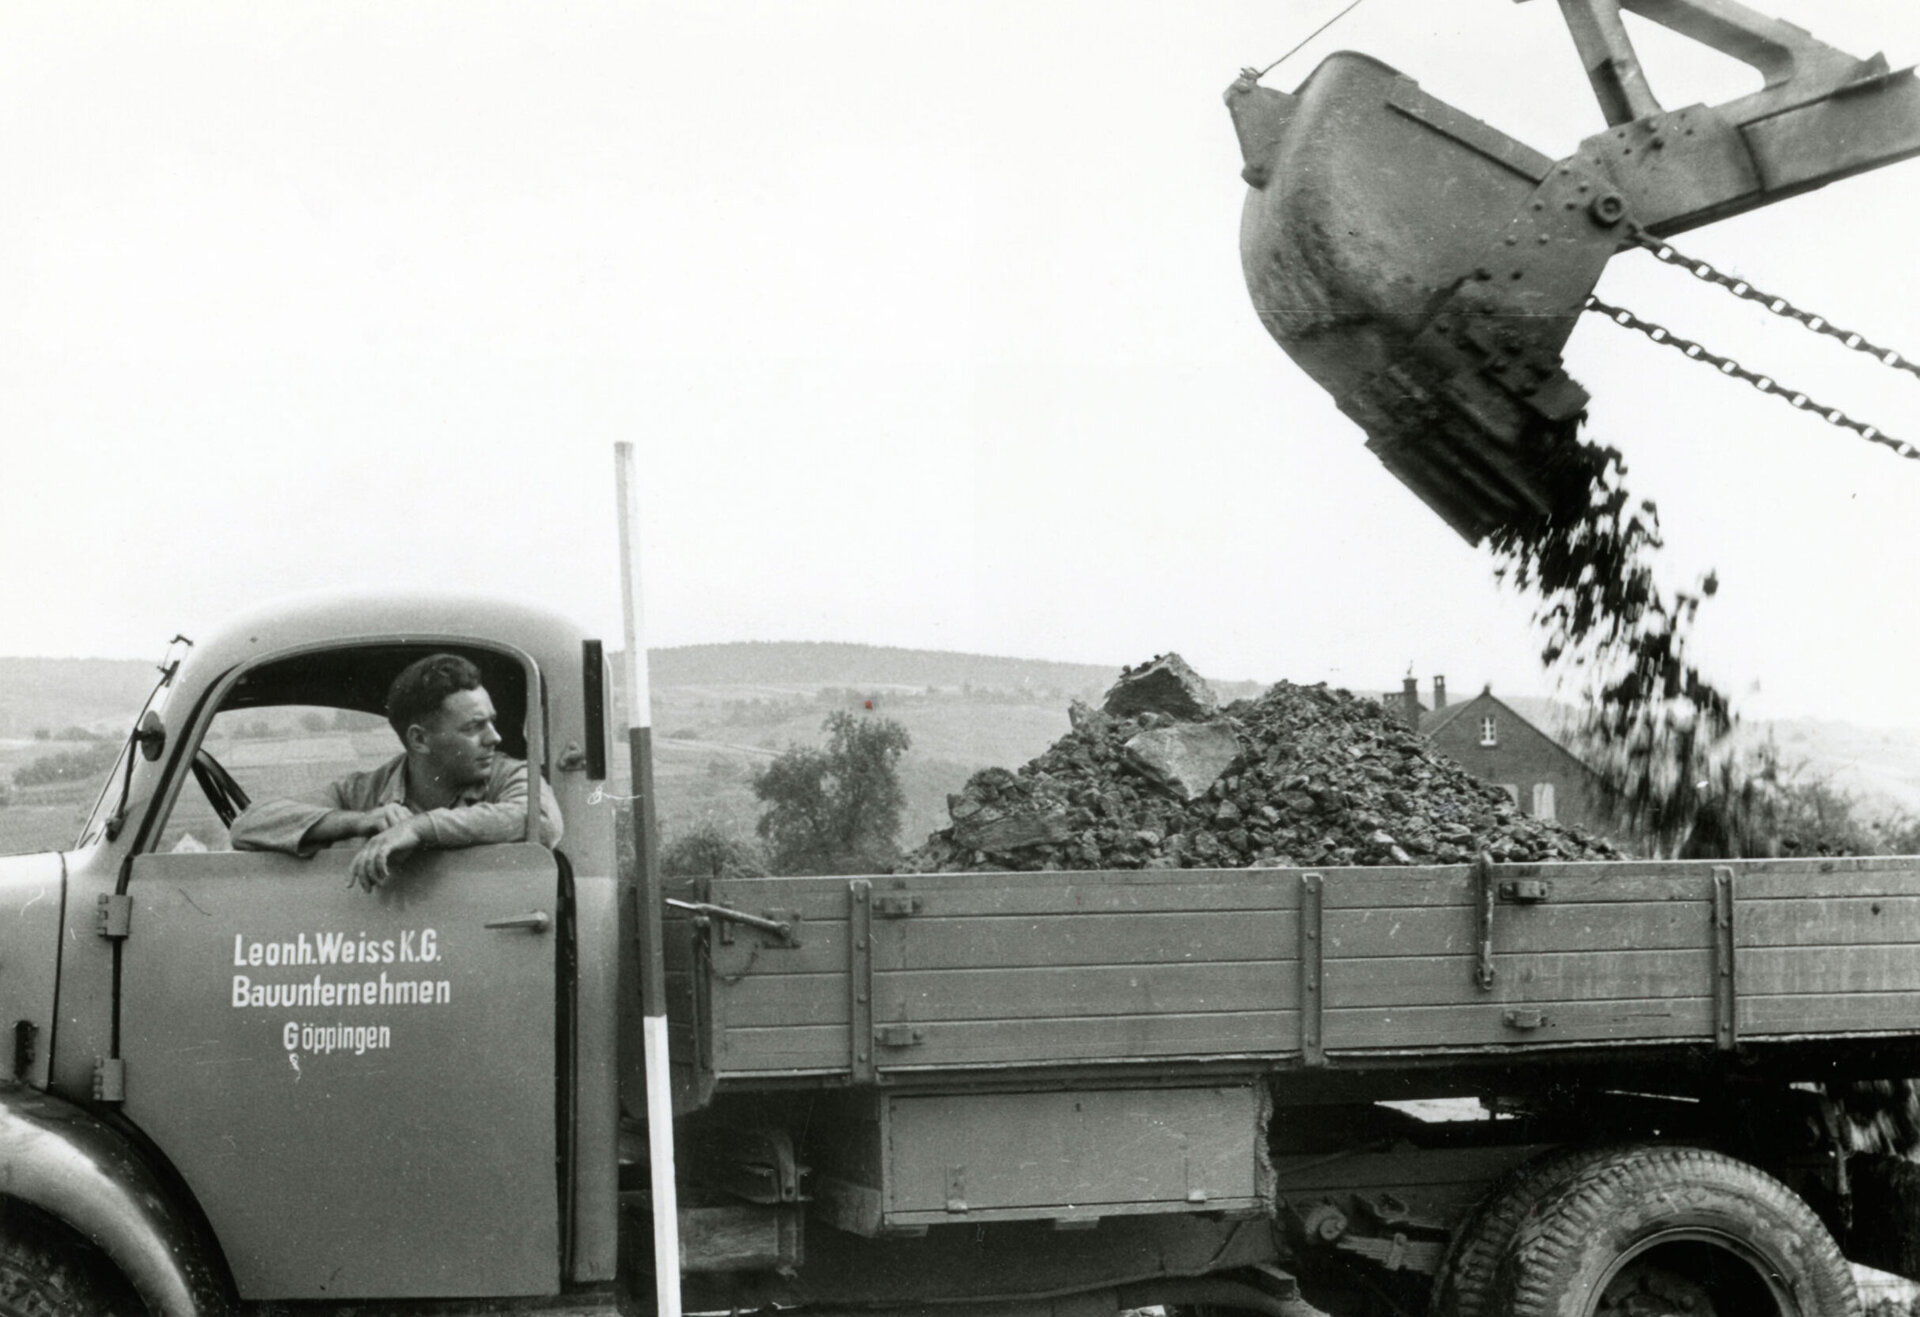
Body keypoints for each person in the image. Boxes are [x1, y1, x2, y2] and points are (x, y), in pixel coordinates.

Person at [231, 653, 563, 891]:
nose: (495, 737)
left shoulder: (508, 776)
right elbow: (249, 824)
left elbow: (541, 820)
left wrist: (419, 828)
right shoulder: (364, 792)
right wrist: (361, 820)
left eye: (491, 721)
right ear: (419, 739)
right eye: (475, 727)